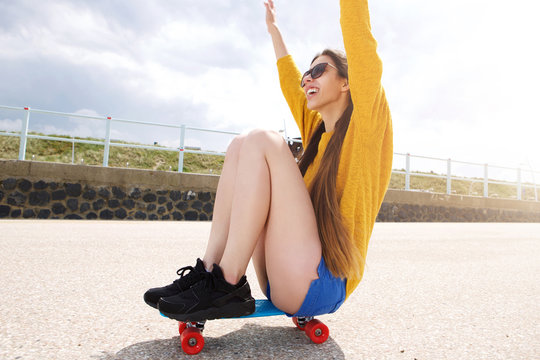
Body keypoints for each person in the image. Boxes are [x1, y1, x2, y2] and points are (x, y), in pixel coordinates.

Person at [144, 0, 393, 322]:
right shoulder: (316, 133)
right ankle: (208, 271)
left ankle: (228, 282)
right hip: (284, 276)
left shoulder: (368, 126)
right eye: (308, 73)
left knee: (263, 139)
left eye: (319, 71)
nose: (307, 80)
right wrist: (273, 30)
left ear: (347, 82)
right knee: (240, 144)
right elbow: (289, 80)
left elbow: (359, 36)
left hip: (324, 283)